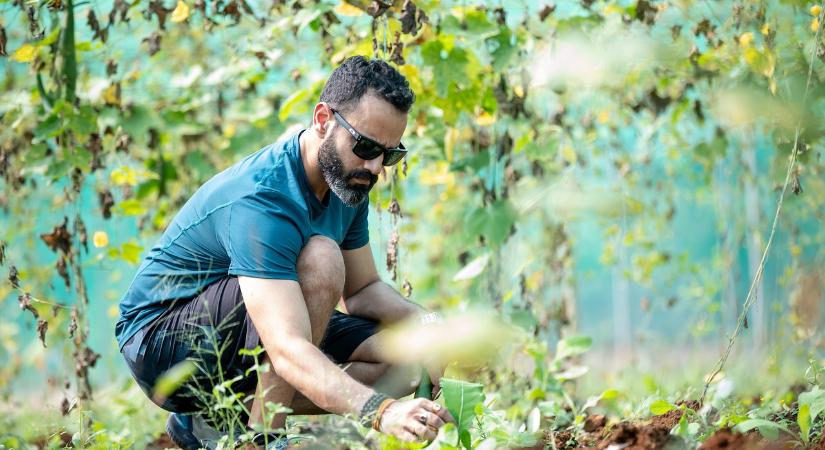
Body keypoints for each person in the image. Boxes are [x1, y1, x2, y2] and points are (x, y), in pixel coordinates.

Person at [115, 55, 453, 450]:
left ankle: (213, 422)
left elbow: (362, 292)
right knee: (322, 257)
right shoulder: (264, 197)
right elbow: (287, 347)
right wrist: (381, 411)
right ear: (323, 119)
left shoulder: (348, 181)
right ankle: (261, 439)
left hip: (252, 327)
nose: (376, 167)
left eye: (389, 155)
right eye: (365, 146)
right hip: (160, 343)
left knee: (404, 359)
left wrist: (429, 324)